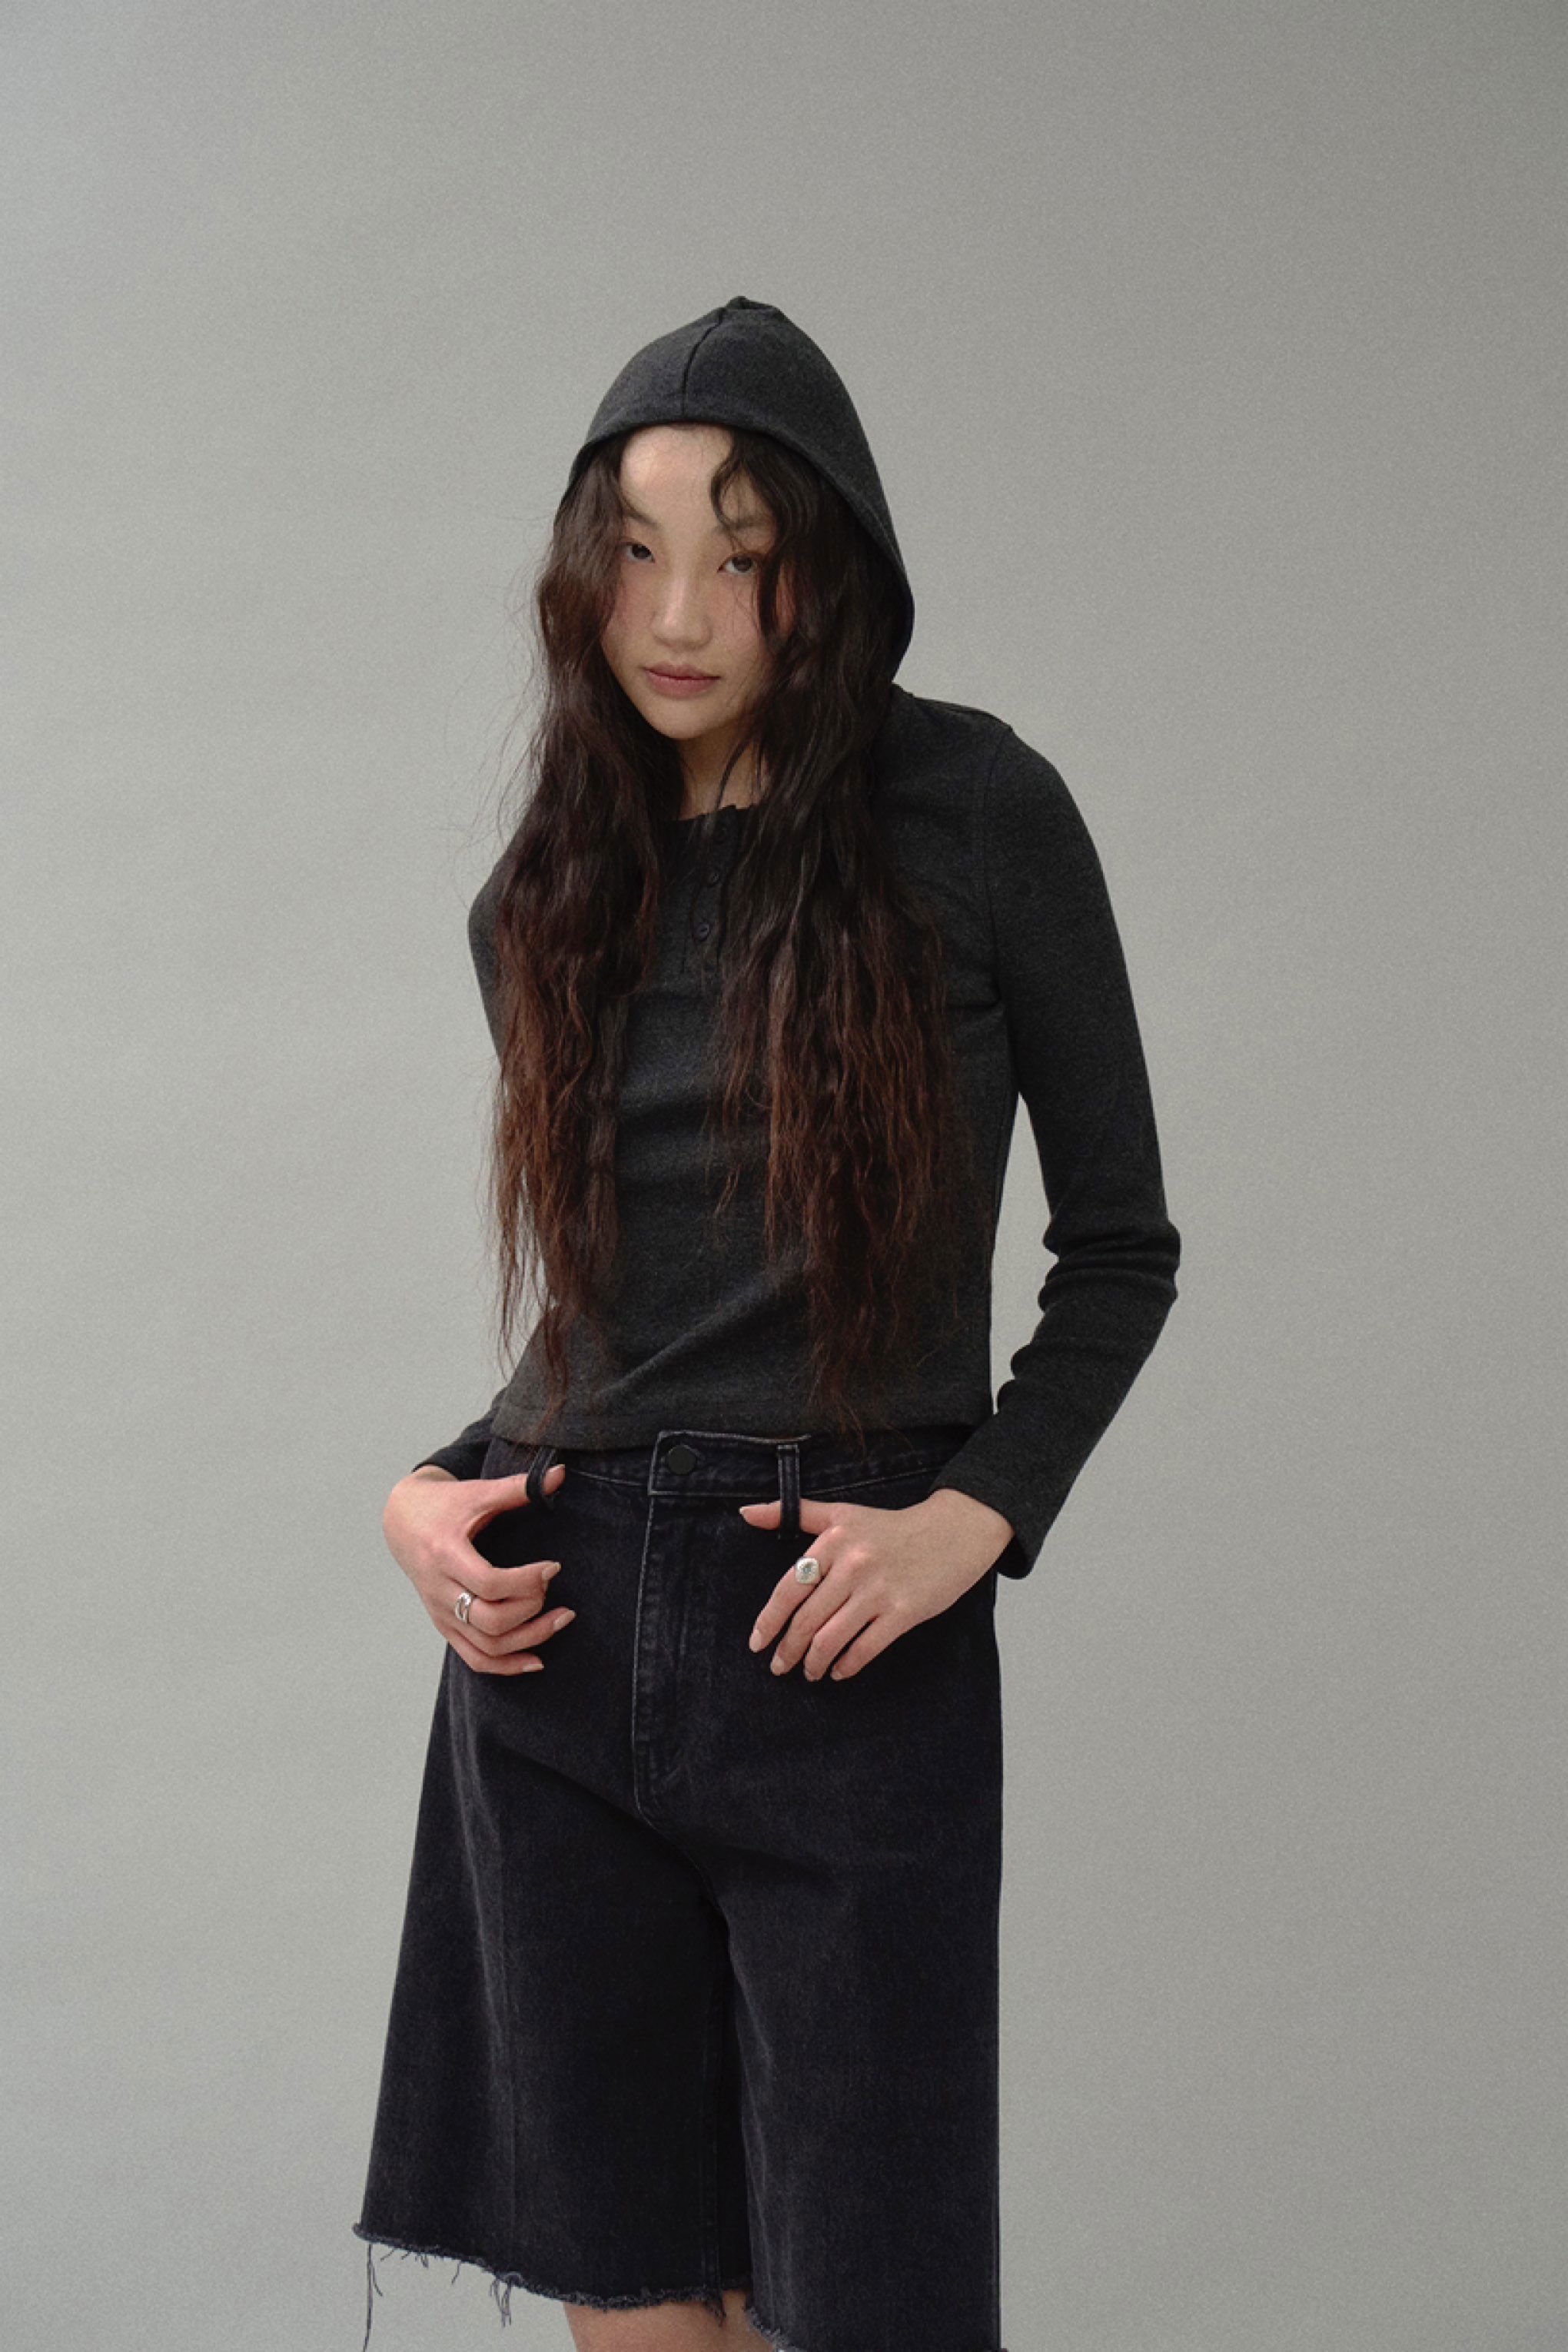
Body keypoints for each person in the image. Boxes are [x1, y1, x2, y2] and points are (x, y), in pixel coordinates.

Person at [352, 294, 1181, 2352]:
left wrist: (970, 1520)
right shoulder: (546, 891)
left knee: (870, 2298)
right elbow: (625, 1317)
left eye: (742, 554)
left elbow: (1121, 1249)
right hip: (554, 1649)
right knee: (636, 2313)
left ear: (834, 566)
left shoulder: (976, 809)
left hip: (841, 1636)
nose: (680, 612)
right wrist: (427, 1492)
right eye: (636, 551)